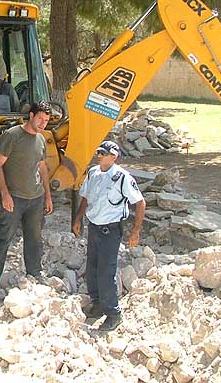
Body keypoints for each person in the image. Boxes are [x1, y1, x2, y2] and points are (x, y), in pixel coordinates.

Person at [0, 101, 53, 302]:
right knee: (3, 240)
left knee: (34, 239)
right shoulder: (12, 136)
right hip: (14, 199)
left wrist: (47, 195)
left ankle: (34, 273)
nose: (43, 123)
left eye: (46, 120)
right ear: (31, 115)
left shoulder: (41, 140)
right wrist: (4, 193)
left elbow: (43, 168)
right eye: (40, 118)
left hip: (36, 198)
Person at [71, 141, 146, 331]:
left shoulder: (122, 177)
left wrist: (135, 231)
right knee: (93, 267)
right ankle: (97, 303)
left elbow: (140, 203)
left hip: (110, 230)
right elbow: (86, 197)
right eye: (98, 153)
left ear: (114, 157)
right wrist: (78, 218)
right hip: (94, 227)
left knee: (106, 271)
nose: (99, 156)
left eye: (103, 153)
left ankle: (113, 313)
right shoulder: (94, 173)